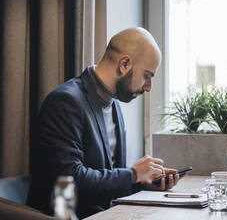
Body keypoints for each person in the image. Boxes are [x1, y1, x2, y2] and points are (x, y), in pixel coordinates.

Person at [27, 27, 180, 218]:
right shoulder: (65, 102)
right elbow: (67, 179)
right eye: (147, 76)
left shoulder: (113, 104)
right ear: (124, 63)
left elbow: (105, 179)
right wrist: (132, 174)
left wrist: (140, 183)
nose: (148, 87)